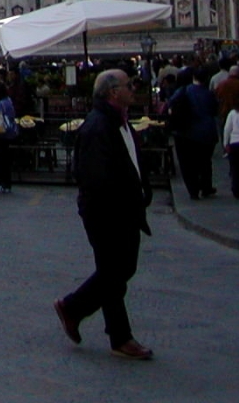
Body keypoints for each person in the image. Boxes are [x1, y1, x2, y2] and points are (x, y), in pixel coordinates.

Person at [54, 70, 154, 360]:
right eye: (127, 85)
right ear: (112, 92)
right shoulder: (98, 127)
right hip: (109, 213)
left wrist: (141, 189)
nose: (132, 89)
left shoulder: (119, 122)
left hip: (123, 209)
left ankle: (113, 333)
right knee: (116, 271)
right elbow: (95, 177)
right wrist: (121, 205)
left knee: (116, 272)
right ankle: (76, 308)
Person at [169, 69, 219, 199]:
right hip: (207, 131)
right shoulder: (209, 94)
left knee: (188, 163)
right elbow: (215, 110)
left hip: (186, 132)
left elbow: (170, 103)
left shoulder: (183, 91)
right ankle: (206, 186)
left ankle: (193, 189)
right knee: (205, 161)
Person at [0, 81, 18, 193]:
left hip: (2, 133)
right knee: (6, 160)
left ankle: (1, 183)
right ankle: (7, 184)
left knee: (0, 160)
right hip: (10, 131)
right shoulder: (9, 101)